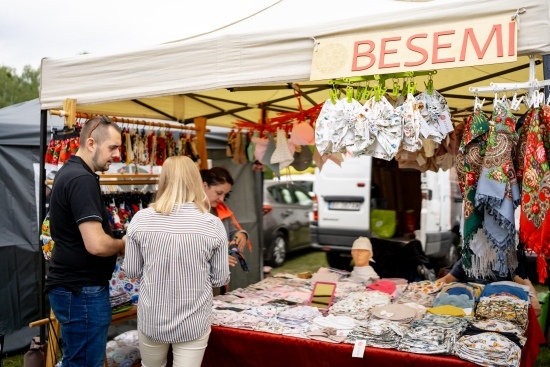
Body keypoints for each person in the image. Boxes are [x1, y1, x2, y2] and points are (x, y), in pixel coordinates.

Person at [124, 156, 229, 367]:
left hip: (152, 317)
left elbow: (132, 271)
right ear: (196, 182)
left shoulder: (141, 219)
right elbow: (220, 279)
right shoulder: (211, 223)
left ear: (163, 180)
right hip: (194, 319)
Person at [45, 116, 126, 367]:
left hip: (76, 289)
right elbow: (97, 244)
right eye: (112, 147)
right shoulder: (81, 179)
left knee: (75, 360)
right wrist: (127, 243)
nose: (117, 155)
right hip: (82, 291)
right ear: (91, 143)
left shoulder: (72, 173)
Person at [438, 258, 542, 316]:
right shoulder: (468, 258)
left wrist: (534, 299)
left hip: (497, 305)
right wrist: (425, 287)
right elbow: (446, 280)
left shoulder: (508, 261)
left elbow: (527, 285)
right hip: (467, 303)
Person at [200, 167, 250, 268]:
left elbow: (231, 232)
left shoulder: (221, 210)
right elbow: (189, 251)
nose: (222, 199)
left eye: (225, 195)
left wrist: (240, 235)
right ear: (205, 186)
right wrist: (216, 258)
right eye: (219, 193)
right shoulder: (190, 213)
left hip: (219, 279)